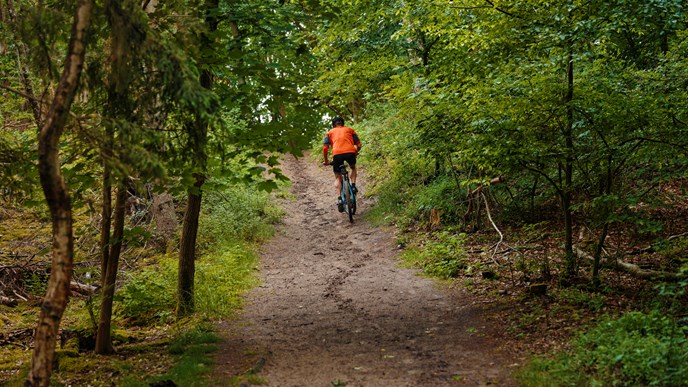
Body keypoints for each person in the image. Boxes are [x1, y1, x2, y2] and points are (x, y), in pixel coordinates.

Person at [323, 116, 362, 212]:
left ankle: (340, 199)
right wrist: (355, 152)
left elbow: (325, 148)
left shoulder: (329, 133)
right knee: (353, 168)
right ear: (343, 123)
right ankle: (353, 186)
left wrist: (326, 161)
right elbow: (359, 144)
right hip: (350, 152)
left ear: (333, 125)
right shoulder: (350, 130)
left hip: (337, 154)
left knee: (338, 177)